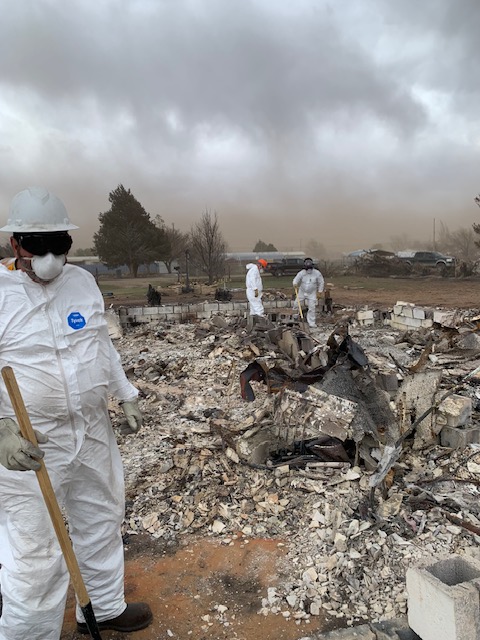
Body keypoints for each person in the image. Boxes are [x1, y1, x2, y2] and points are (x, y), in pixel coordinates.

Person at [0, 187, 153, 639]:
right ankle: (29, 635)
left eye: (59, 245)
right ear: (15, 245)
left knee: (102, 519)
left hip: (91, 429)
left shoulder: (82, 283)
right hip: (29, 442)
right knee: (36, 552)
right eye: (37, 246)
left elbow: (100, 346)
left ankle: (103, 608)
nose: (50, 256)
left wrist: (125, 392)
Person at [292, 257, 324, 328]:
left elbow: (321, 282)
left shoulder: (317, 273)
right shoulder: (301, 273)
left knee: (312, 308)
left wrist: (320, 291)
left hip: (312, 293)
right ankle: (295, 318)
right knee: (296, 304)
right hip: (301, 292)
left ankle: (311, 323)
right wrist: (295, 284)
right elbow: (296, 279)